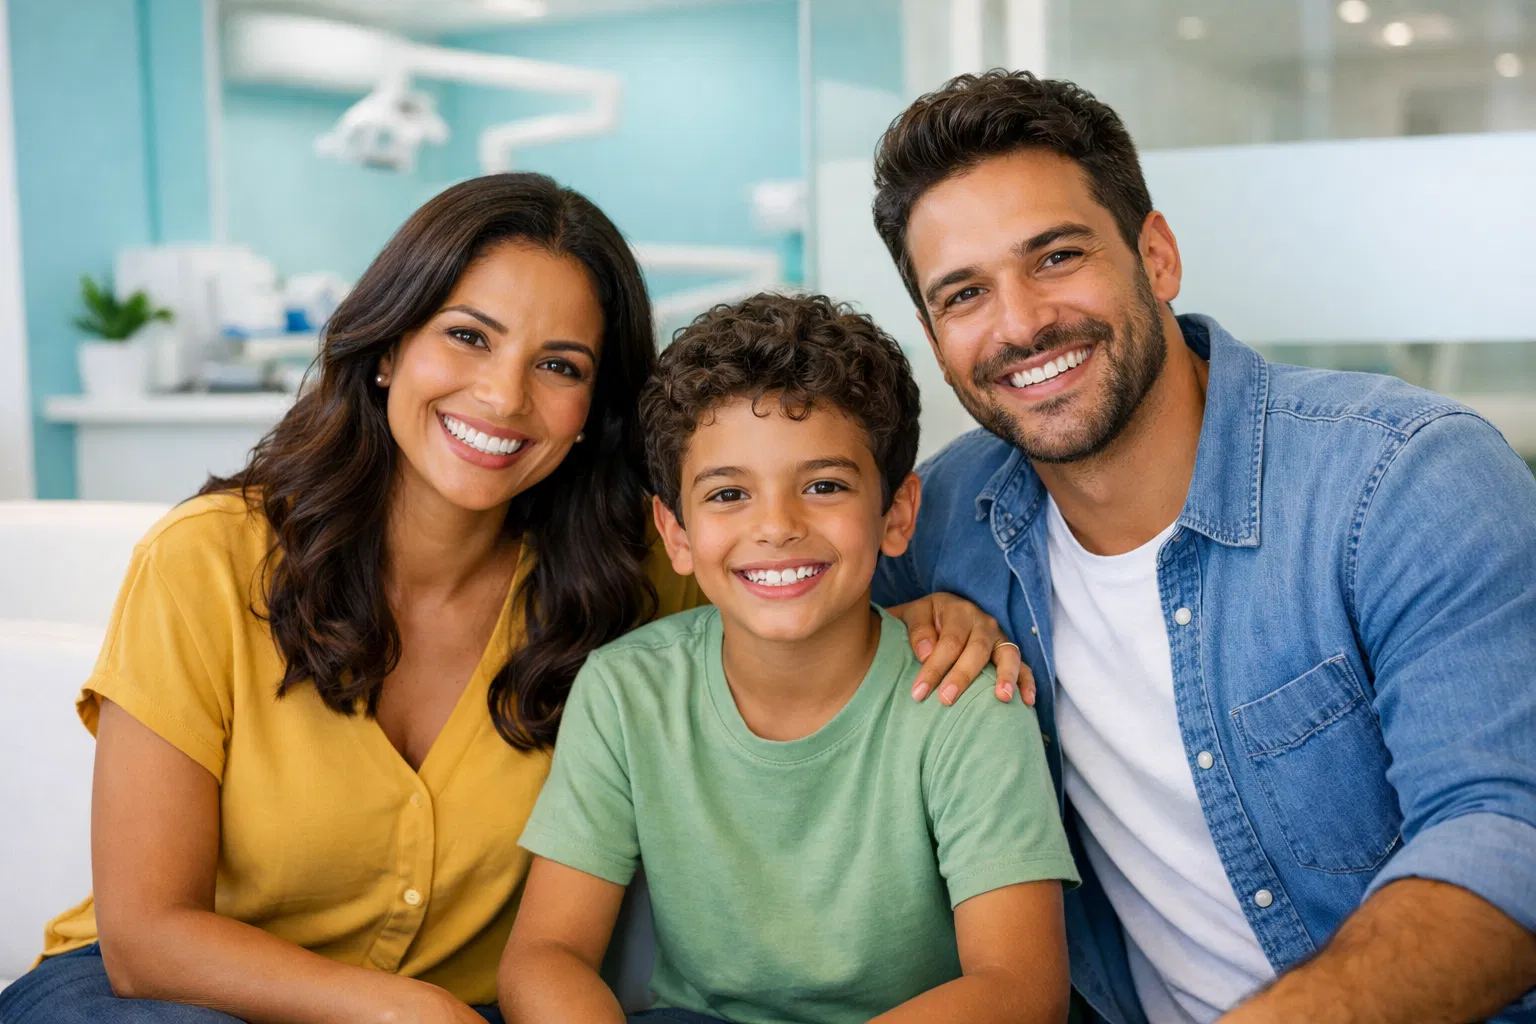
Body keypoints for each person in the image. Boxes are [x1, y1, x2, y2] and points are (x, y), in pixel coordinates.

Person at [0, 175, 1017, 1024]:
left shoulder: (627, 575)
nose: (502, 396)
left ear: (591, 412)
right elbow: (145, 938)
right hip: (166, 1001)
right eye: (468, 336)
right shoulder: (208, 560)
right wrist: (403, 1010)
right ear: (389, 345)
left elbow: (782, 585)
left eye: (558, 365)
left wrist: (920, 615)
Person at [867, 70, 1536, 1024]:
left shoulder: (1403, 479)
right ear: (935, 338)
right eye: (964, 294)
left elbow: (1507, 836)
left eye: (1056, 256)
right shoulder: (938, 522)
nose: (1020, 324)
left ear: (1157, 255)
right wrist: (894, 622)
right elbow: (768, 616)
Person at [498, 293, 1079, 1024]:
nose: (776, 526)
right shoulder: (625, 690)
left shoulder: (966, 702)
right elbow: (547, 953)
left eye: (824, 486)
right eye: (728, 493)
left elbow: (1021, 989)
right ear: (676, 534)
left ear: (896, 514)